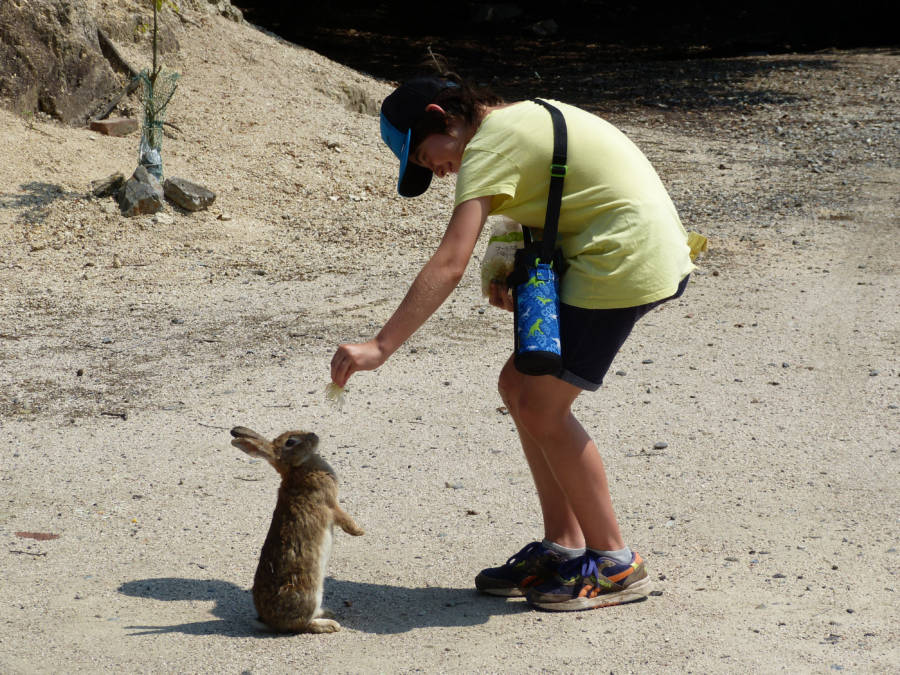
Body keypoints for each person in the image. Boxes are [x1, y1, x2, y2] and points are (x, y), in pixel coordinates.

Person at [330, 74, 697, 611]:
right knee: (517, 384)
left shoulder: (490, 144)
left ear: (443, 116)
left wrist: (380, 347)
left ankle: (617, 564)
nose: (431, 169)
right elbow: (550, 196)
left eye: (422, 154)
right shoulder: (515, 120)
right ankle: (564, 547)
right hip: (619, 250)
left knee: (543, 407)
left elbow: (450, 261)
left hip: (622, 261)